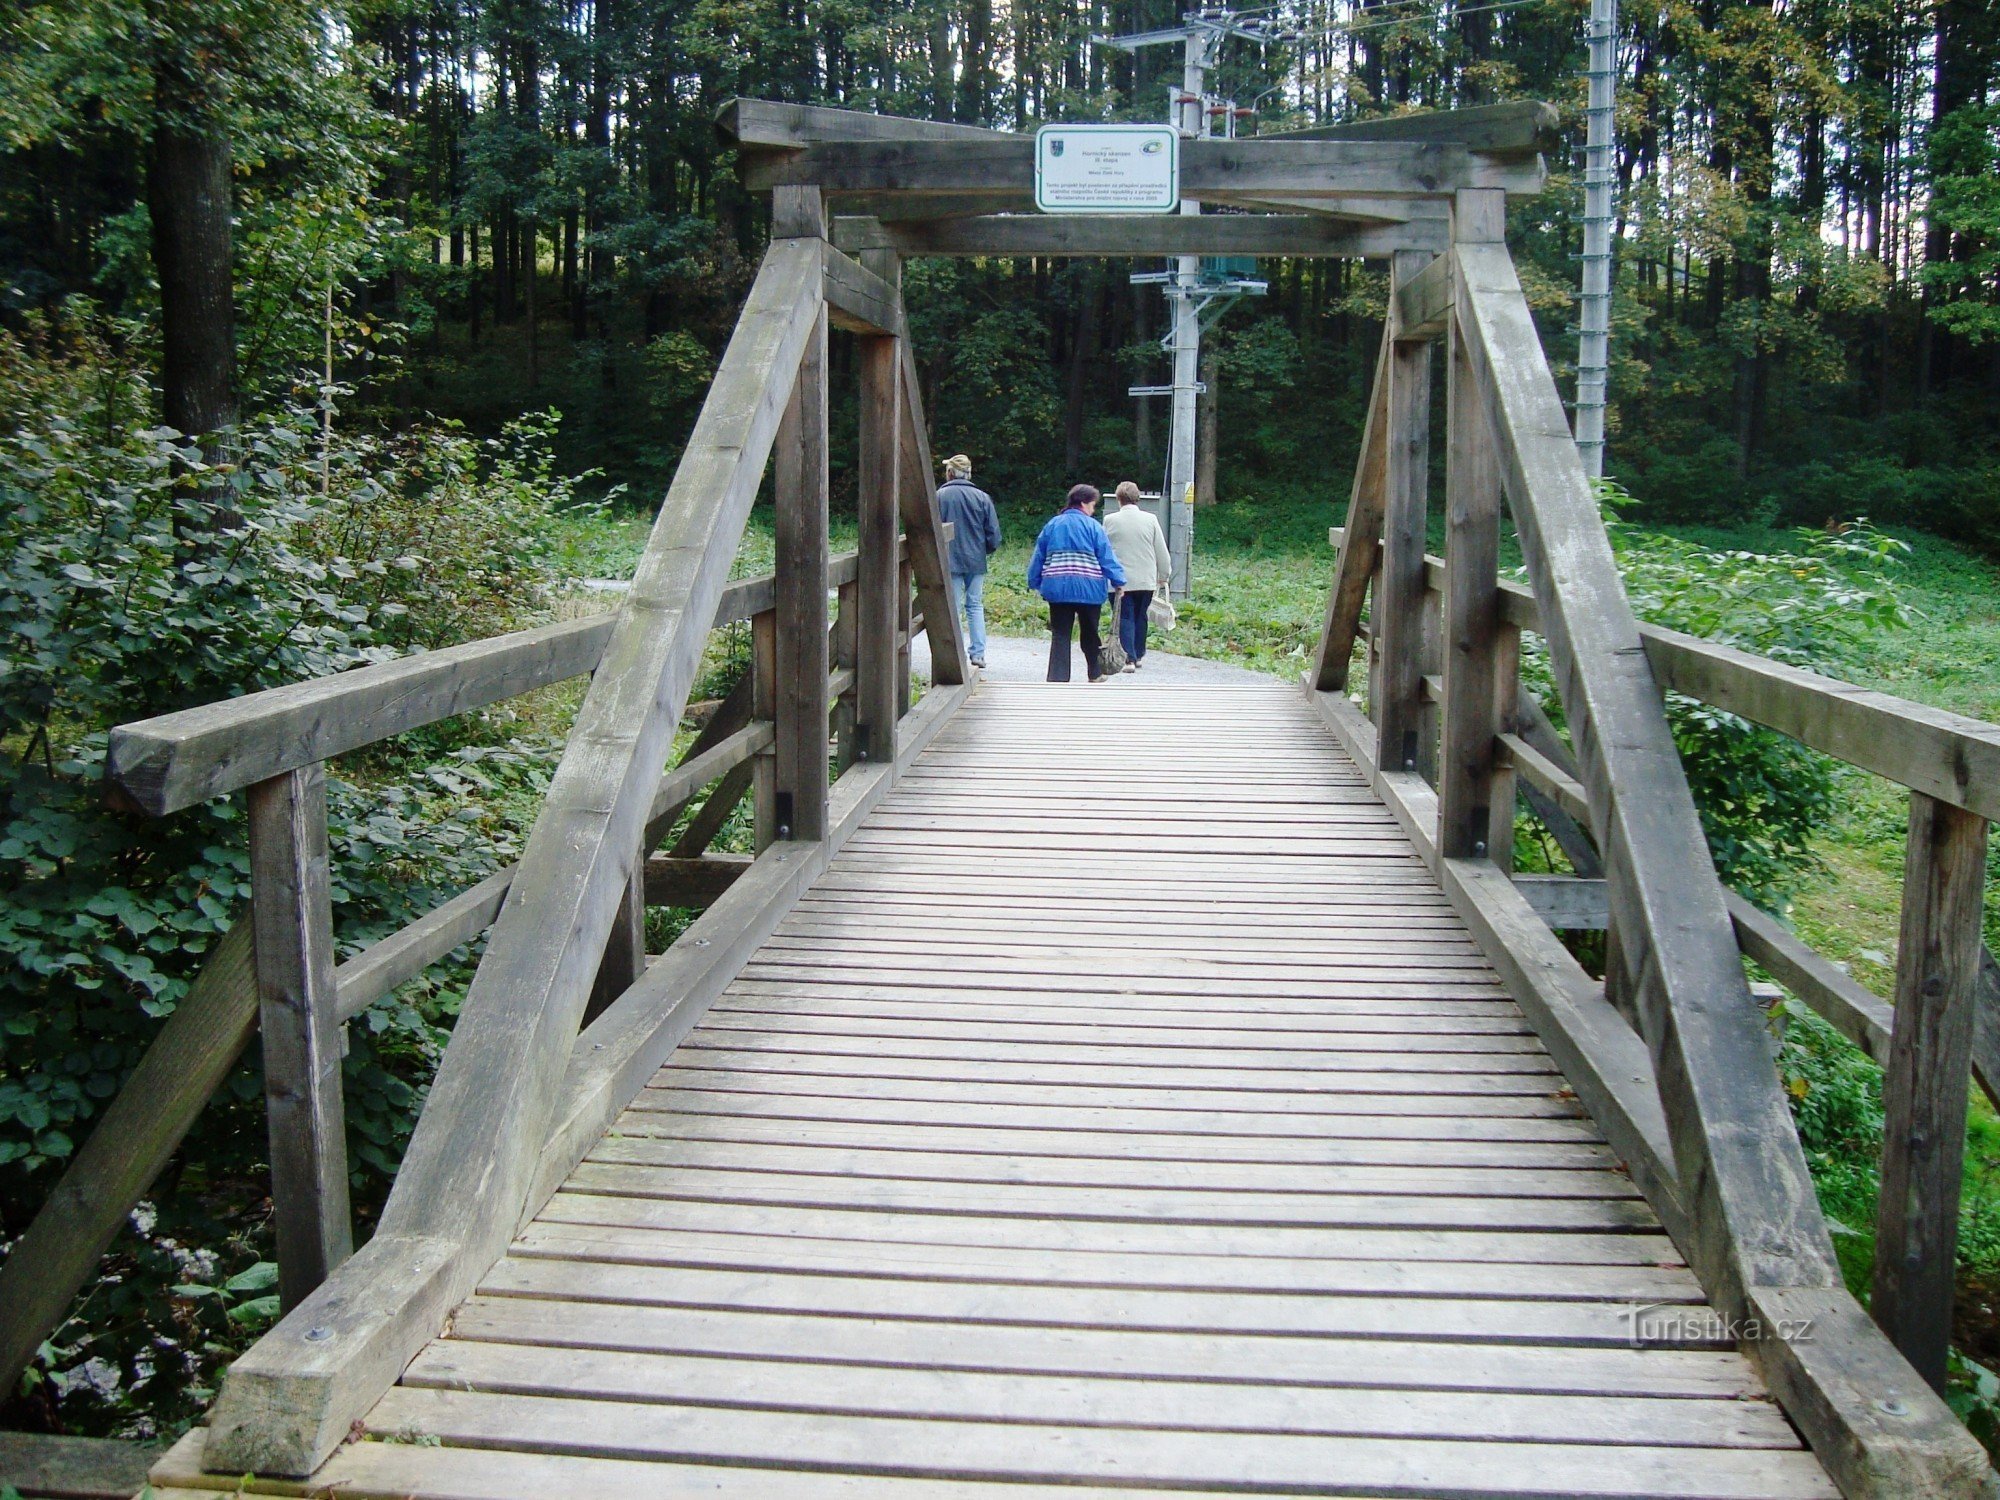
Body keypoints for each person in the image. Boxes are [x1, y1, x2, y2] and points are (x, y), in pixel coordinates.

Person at [1026, 483, 1126, 683]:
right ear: (1083, 503)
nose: (1093, 509)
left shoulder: (1053, 525)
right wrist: (1118, 581)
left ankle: (1058, 677)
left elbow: (1039, 556)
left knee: (1061, 634)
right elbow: (1106, 557)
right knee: (1090, 632)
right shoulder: (1093, 527)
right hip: (1089, 589)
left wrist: (1034, 581)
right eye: (1092, 505)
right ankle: (1095, 673)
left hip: (1058, 588)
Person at [934, 454, 1001, 669]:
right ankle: (978, 653)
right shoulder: (982, 497)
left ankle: (955, 654)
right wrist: (984, 551)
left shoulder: (939, 496)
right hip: (975, 560)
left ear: (950, 473)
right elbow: (993, 534)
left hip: (949, 559)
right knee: (974, 605)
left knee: (953, 607)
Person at [1102, 481, 1171, 671]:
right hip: (1145, 579)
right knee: (1141, 616)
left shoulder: (1110, 520)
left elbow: (1104, 550)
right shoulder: (1151, 520)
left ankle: (1128, 658)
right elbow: (1161, 550)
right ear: (1137, 498)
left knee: (1125, 616)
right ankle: (1139, 654)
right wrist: (1164, 574)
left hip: (1120, 581)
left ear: (1118, 499)